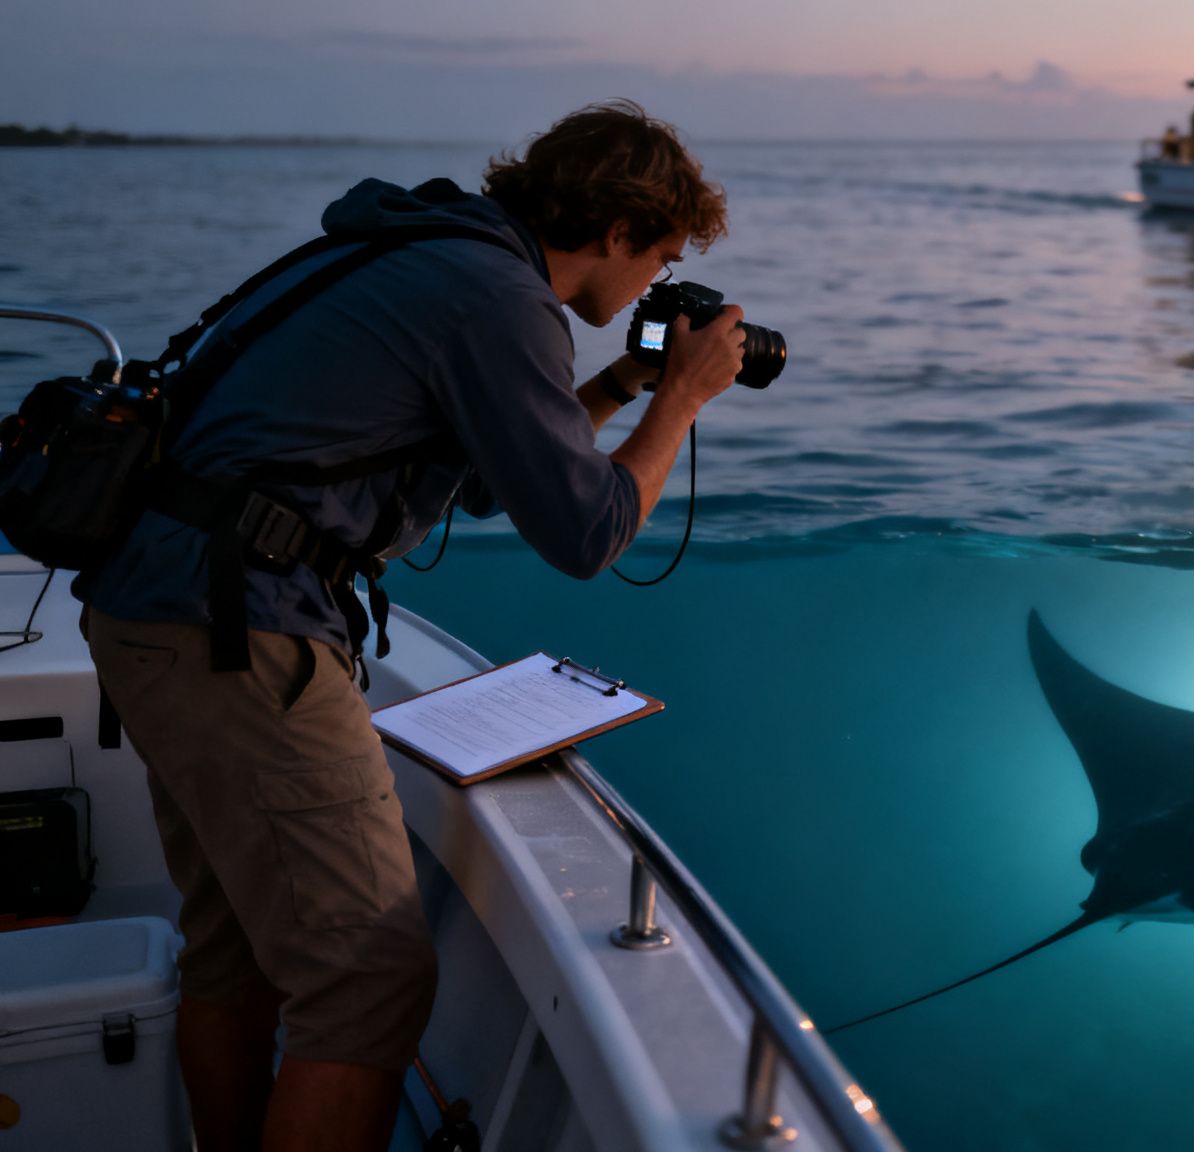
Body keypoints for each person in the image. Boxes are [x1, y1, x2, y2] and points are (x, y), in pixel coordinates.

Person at [77, 100, 743, 1152]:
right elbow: (588, 532)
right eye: (658, 256)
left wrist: (620, 382)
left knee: (235, 950)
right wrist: (682, 404)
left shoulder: (428, 250)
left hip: (156, 614)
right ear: (614, 229)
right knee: (368, 985)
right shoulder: (500, 298)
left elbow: (482, 485)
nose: (656, 286)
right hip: (239, 632)